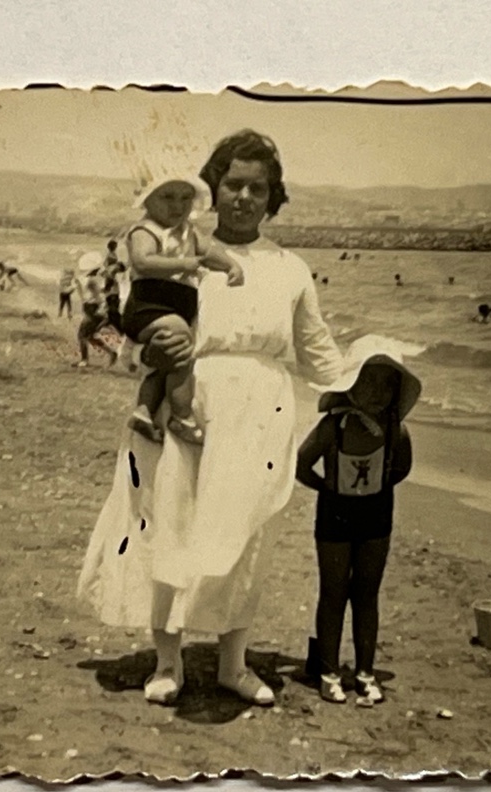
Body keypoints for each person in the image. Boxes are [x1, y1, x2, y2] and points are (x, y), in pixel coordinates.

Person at [78, 129, 343, 707]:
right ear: (212, 191)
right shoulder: (183, 257)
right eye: (234, 184)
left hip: (264, 410)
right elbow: (132, 325)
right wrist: (147, 354)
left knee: (246, 537)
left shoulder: (292, 268)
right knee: (170, 521)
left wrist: (361, 391)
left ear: (273, 198)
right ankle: (168, 661)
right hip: (189, 398)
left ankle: (232, 663)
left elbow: (317, 348)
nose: (245, 197)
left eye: (259, 188)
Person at [296, 338, 418, 705]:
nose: (378, 392)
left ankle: (365, 672)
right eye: (368, 381)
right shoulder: (334, 427)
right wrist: (328, 489)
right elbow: (301, 463)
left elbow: (401, 468)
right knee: (333, 593)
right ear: (350, 383)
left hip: (377, 517)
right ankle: (329, 671)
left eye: (387, 384)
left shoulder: (396, 430)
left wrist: (373, 491)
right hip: (335, 514)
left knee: (367, 594)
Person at [119, 173, 243, 444]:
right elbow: (142, 262)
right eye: (167, 197)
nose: (178, 205)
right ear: (147, 201)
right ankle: (181, 416)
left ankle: (144, 411)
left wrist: (231, 265)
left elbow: (209, 252)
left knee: (167, 362)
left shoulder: (189, 232)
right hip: (149, 303)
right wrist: (183, 264)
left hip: (173, 306)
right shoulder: (146, 230)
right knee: (181, 349)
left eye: (186, 198)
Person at [75, 266, 118, 368]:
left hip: (93, 310)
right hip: (92, 309)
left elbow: (97, 296)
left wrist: (101, 309)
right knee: (90, 336)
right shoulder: (92, 280)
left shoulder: (91, 281)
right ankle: (112, 353)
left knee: (82, 335)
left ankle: (84, 360)